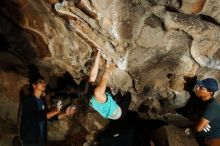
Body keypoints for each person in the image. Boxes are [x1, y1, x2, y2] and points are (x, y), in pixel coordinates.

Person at [20, 75, 76, 146]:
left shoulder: (42, 101)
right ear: (34, 85)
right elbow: (37, 118)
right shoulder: (28, 101)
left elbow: (50, 117)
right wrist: (55, 111)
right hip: (30, 140)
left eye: (44, 82)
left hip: (41, 139)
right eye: (40, 82)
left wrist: (66, 113)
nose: (44, 84)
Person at [76, 49, 131, 121]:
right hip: (118, 114)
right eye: (89, 82)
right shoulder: (97, 92)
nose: (90, 80)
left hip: (108, 111)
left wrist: (98, 56)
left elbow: (93, 75)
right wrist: (110, 65)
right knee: (128, 95)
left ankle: (115, 99)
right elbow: (105, 78)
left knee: (106, 90)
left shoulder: (86, 97)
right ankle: (117, 100)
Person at [185, 78, 220, 146]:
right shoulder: (200, 100)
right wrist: (200, 121)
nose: (197, 89)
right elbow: (190, 115)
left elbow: (198, 128)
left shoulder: (212, 107)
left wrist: (199, 124)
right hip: (203, 137)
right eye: (198, 86)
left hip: (214, 139)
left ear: (210, 93)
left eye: (202, 88)